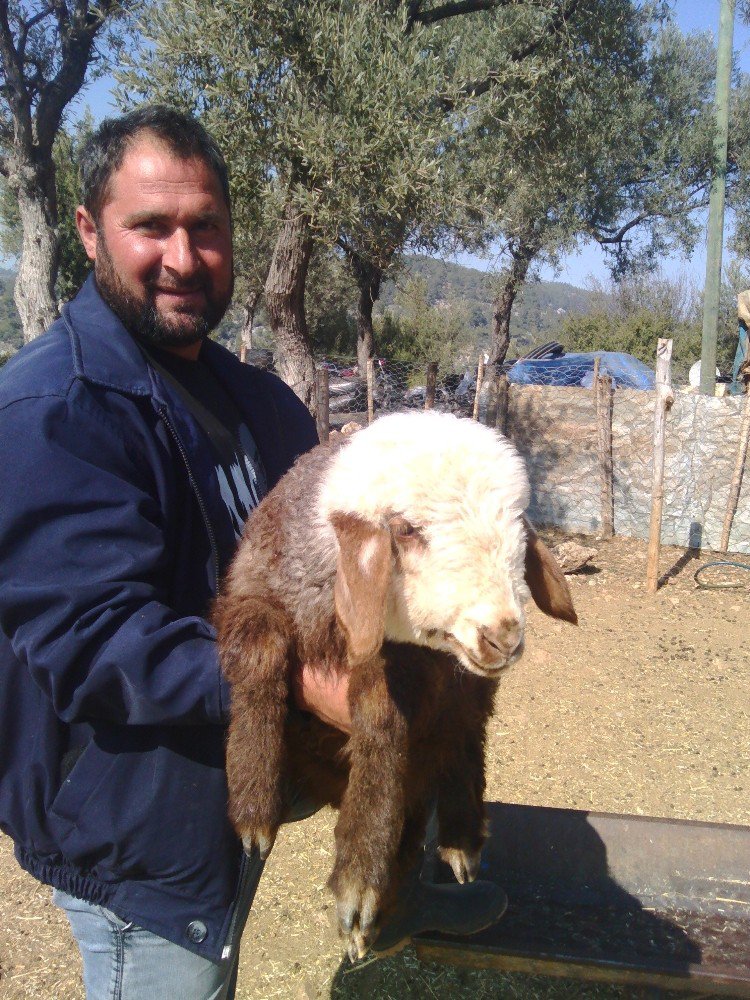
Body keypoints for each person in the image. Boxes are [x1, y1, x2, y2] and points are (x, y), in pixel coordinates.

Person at [0, 106, 505, 1000]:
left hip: (232, 792)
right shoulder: (53, 412)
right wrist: (311, 688)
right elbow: (93, 643)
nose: (183, 258)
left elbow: (328, 566)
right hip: (136, 832)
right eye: (150, 227)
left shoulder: (261, 403)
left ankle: (403, 892)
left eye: (207, 227)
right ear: (87, 231)